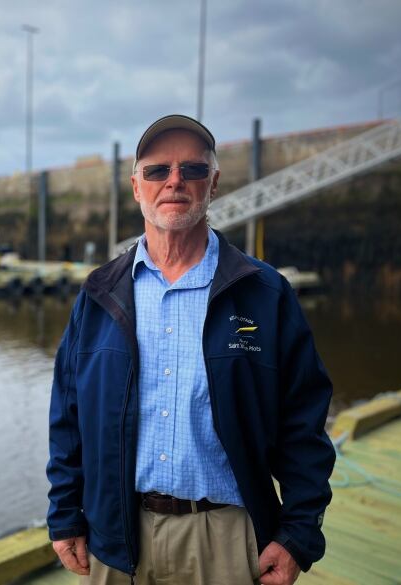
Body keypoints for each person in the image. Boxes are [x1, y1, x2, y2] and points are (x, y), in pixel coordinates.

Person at [45, 114, 335, 585]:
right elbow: (68, 415)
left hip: (224, 538)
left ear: (214, 183)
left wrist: (299, 533)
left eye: (193, 170)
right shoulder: (99, 293)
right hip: (117, 536)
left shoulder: (265, 292)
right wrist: (64, 514)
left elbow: (304, 422)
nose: (174, 181)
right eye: (157, 170)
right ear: (136, 187)